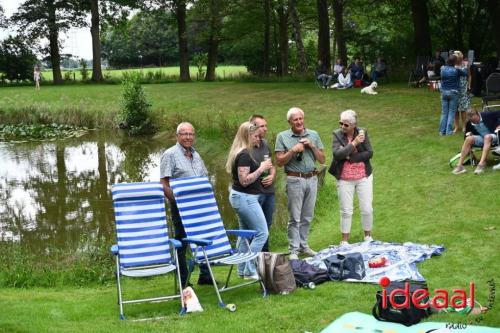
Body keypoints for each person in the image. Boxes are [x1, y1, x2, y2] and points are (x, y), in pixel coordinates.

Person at [160, 122, 214, 287]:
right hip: (181, 207)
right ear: (177, 136)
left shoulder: (196, 155)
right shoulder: (170, 154)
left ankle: (205, 276)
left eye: (191, 134)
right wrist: (178, 202)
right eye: (184, 134)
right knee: (182, 242)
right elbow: (163, 184)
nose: (188, 137)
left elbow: (204, 178)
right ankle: (184, 281)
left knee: (202, 238)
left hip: (200, 206)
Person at [275, 107, 325, 260]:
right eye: (295, 119)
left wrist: (312, 146)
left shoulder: (313, 135)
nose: (299, 122)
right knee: (295, 217)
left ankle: (304, 246)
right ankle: (294, 250)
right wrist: (293, 150)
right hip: (295, 179)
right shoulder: (282, 136)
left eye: (300, 119)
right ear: (289, 121)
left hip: (312, 178)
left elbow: (322, 159)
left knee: (307, 216)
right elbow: (279, 162)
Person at [226, 122, 272, 279]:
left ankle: (241, 270)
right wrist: (262, 168)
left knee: (244, 235)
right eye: (255, 136)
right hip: (245, 199)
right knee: (262, 233)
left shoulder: (242, 152)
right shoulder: (244, 154)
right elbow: (244, 180)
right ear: (247, 135)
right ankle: (250, 269)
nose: (258, 139)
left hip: (242, 197)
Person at [330, 110, 374, 246]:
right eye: (341, 123)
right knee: (346, 210)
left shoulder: (362, 133)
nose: (342, 126)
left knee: (367, 208)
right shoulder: (337, 135)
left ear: (354, 125)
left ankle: (367, 236)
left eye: (346, 125)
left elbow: (369, 153)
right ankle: (344, 241)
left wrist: (352, 157)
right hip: (344, 178)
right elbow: (337, 155)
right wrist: (353, 144)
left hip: (363, 177)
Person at [249, 114, 276, 252]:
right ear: (253, 127)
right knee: (256, 227)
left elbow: (272, 165)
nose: (266, 129)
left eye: (266, 126)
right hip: (254, 194)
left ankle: (265, 257)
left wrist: (272, 176)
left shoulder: (265, 144)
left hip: (269, 192)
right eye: (262, 126)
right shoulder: (246, 148)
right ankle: (252, 258)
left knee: (267, 225)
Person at [452, 108, 500, 175]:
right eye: (472, 121)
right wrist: (470, 134)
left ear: (478, 114)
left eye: (475, 120)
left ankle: (481, 164)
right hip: (482, 138)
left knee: (487, 137)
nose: (475, 122)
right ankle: (460, 166)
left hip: (495, 136)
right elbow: (465, 137)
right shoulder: (469, 123)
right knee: (469, 139)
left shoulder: (487, 115)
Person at [439, 55, 467, 136]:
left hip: (444, 92)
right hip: (453, 93)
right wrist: (465, 65)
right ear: (455, 62)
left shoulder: (442, 69)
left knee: (444, 113)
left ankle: (442, 132)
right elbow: (465, 73)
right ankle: (449, 131)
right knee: (451, 112)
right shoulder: (456, 70)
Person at [453, 51, 471, 133]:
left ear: (460, 57)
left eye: (456, 56)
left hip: (463, 89)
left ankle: (464, 126)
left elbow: (469, 76)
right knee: (455, 109)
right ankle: (456, 126)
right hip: (454, 89)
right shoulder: (452, 65)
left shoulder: (466, 65)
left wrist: (469, 86)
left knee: (463, 109)